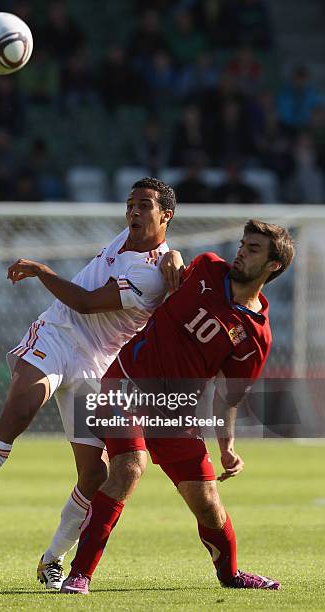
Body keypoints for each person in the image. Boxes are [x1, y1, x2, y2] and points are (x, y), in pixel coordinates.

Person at [0, 178, 183, 587]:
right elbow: (165, 255)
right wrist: (175, 253)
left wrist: (41, 270)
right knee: (20, 410)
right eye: (130, 204)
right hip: (57, 335)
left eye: (144, 205)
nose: (134, 212)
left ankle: (52, 559)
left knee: (94, 475)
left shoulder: (152, 275)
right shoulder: (134, 241)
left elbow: (88, 304)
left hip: (96, 363)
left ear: (166, 215)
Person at [60, 220, 295, 594]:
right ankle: (80, 574)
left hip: (175, 411)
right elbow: (161, 264)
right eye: (242, 243)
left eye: (253, 249)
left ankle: (230, 574)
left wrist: (227, 447)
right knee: (128, 467)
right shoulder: (205, 268)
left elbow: (228, 394)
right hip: (125, 385)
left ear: (273, 266)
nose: (241, 251)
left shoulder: (255, 335)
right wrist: (173, 253)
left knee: (207, 503)